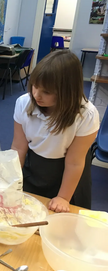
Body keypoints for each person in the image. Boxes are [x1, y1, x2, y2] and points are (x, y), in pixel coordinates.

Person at [11, 51, 99, 212]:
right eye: (35, 85)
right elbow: (18, 148)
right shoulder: (24, 103)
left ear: (67, 92)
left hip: (68, 175)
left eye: (47, 91)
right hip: (35, 167)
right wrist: (10, 182)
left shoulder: (86, 114)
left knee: (62, 222)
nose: (37, 95)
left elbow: (74, 162)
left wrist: (63, 198)